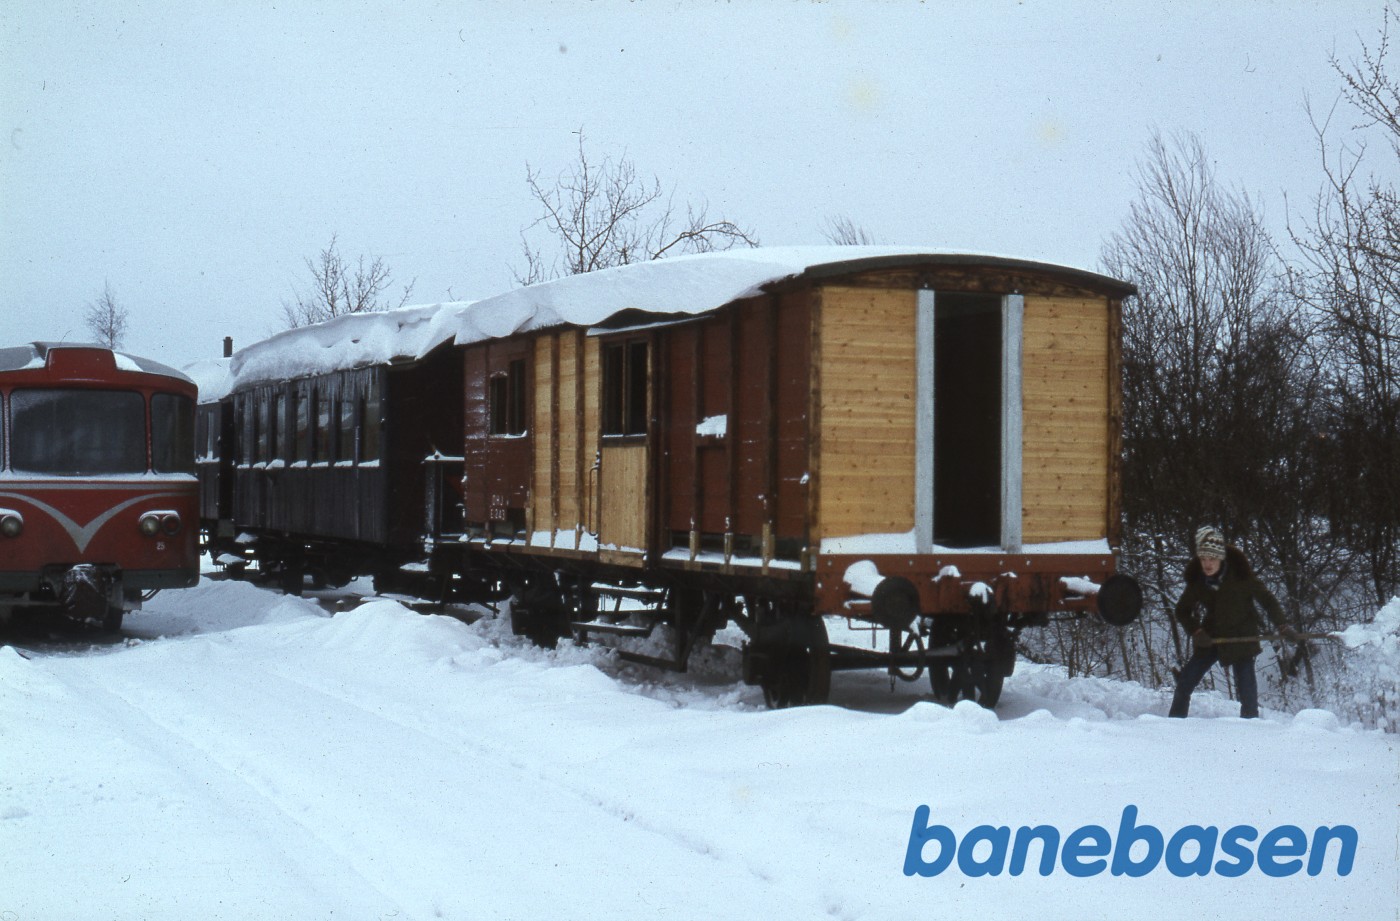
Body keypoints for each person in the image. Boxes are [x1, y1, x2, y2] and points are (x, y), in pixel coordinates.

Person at [1169, 526, 1295, 719]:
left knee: (1247, 693)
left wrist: (1282, 625)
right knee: (1185, 683)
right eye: (1203, 559)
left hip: (1241, 637)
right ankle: (1173, 725)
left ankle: (1251, 732)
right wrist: (1197, 631)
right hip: (1212, 637)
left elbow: (1268, 601)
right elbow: (1182, 611)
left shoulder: (1242, 577)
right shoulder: (1199, 582)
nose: (1207, 564)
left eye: (1211, 558)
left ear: (1221, 558)